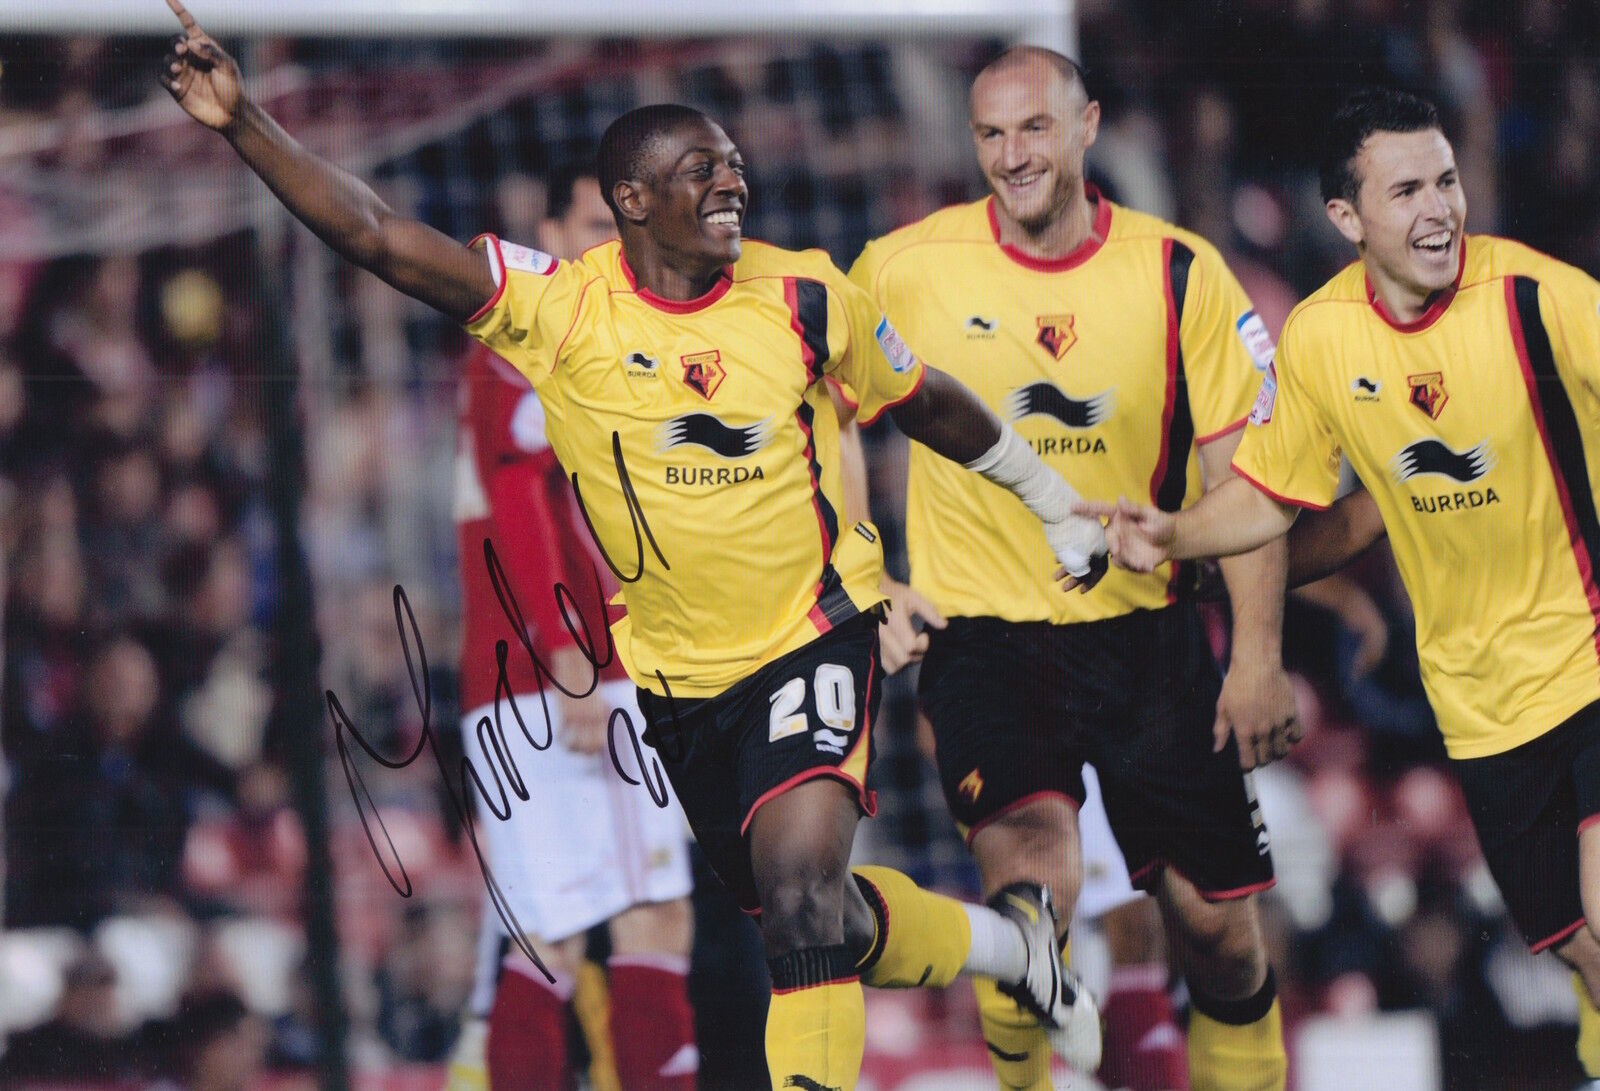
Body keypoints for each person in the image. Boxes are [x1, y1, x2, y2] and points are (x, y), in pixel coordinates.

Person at [159, 6, 1106, 1087]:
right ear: (630, 201)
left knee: (800, 896)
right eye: (699, 169)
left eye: (734, 165)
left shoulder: (803, 293)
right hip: (678, 679)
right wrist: (246, 126)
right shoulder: (562, 314)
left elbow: (924, 401)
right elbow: (376, 232)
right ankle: (1012, 946)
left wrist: (1053, 500)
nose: (729, 184)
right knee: (820, 918)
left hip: (813, 634)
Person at [1094, 86, 1600, 1085]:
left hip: (1588, 664)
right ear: (1344, 216)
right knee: (1579, 950)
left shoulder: (1541, 301)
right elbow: (1273, 498)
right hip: (1478, 708)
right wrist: (1178, 535)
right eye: (1405, 188)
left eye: (1446, 182)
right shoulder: (1323, 342)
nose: (1436, 210)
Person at [848, 46, 1295, 1091]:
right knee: (1030, 891)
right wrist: (858, 566)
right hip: (984, 637)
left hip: (1150, 638)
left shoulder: (1180, 271)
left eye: (1033, 129)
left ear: (1086, 125)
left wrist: (1258, 657)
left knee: (1218, 928)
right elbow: (811, 411)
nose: (1011, 156)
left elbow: (1256, 482)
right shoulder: (901, 266)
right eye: (990, 135)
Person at [443, 165, 698, 1091]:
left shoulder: (561, 340)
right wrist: (575, 659)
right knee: (646, 913)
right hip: (576, 671)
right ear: (546, 226)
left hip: (522, 677)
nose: (611, 245)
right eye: (593, 223)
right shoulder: (534, 337)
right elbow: (520, 497)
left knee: (546, 931)